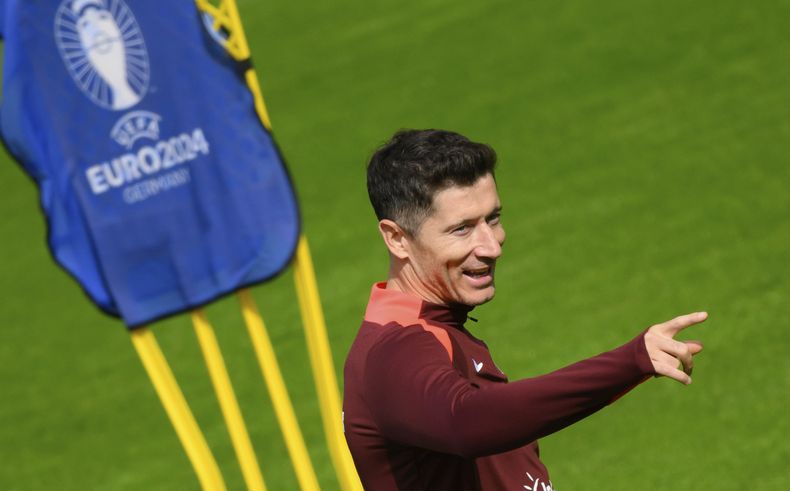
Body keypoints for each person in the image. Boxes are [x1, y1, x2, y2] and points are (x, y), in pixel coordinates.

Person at [342, 129, 706, 490]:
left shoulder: (441, 329)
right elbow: (467, 422)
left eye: (493, 219)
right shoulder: (396, 348)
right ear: (397, 239)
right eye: (462, 229)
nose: (491, 246)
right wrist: (630, 361)